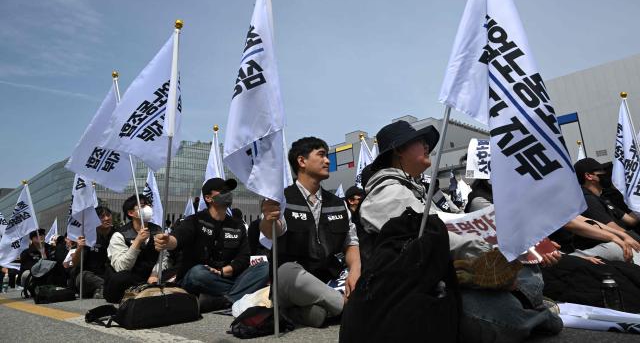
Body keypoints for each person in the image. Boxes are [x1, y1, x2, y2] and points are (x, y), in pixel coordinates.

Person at [358, 120, 562, 342]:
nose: (427, 146)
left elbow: (458, 224)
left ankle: (525, 303)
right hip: (413, 295)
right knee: (504, 316)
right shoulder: (387, 194)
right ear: (398, 150)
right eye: (419, 141)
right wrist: (493, 257)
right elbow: (429, 238)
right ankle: (534, 311)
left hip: (443, 280)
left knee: (524, 273)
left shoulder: (418, 191)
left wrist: (523, 247)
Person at [261, 136, 361, 328]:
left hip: (329, 280)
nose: (328, 161)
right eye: (322, 155)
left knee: (319, 312)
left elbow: (351, 242)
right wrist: (268, 218)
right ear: (302, 161)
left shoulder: (338, 203)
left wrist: (355, 271)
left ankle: (310, 311)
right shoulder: (280, 199)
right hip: (290, 282)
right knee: (289, 272)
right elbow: (271, 232)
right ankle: (352, 308)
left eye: (327, 156)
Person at [154, 178, 269, 312]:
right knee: (198, 273)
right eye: (223, 191)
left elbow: (244, 257)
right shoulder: (195, 220)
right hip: (201, 277)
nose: (228, 194)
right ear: (208, 198)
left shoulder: (238, 226)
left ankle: (225, 300)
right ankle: (238, 294)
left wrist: (224, 271)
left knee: (265, 268)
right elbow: (178, 237)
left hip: (226, 278)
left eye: (229, 191)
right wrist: (168, 242)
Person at [104, 195, 165, 303]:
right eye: (142, 206)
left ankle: (149, 290)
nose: (148, 208)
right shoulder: (119, 235)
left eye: (149, 205)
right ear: (131, 213)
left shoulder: (157, 230)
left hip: (152, 276)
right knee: (121, 278)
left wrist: (155, 273)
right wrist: (137, 241)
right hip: (131, 278)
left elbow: (164, 257)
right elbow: (121, 267)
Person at [69, 206, 115, 298]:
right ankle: (107, 288)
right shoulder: (87, 236)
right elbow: (74, 263)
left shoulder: (118, 234)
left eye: (108, 215)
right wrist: (79, 248)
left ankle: (102, 289)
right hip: (88, 278)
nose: (106, 218)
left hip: (108, 275)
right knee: (84, 276)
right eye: (102, 216)